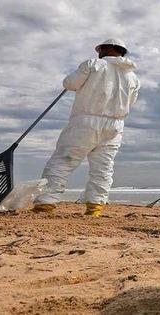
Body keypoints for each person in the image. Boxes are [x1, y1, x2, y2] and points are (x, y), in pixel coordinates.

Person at [33, 39, 140, 217]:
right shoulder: (133, 77)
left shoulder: (93, 64)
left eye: (101, 49)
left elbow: (69, 83)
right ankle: (95, 208)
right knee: (103, 167)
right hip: (115, 126)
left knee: (64, 161)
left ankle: (46, 204)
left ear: (109, 49)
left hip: (86, 121)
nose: (99, 52)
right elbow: (131, 102)